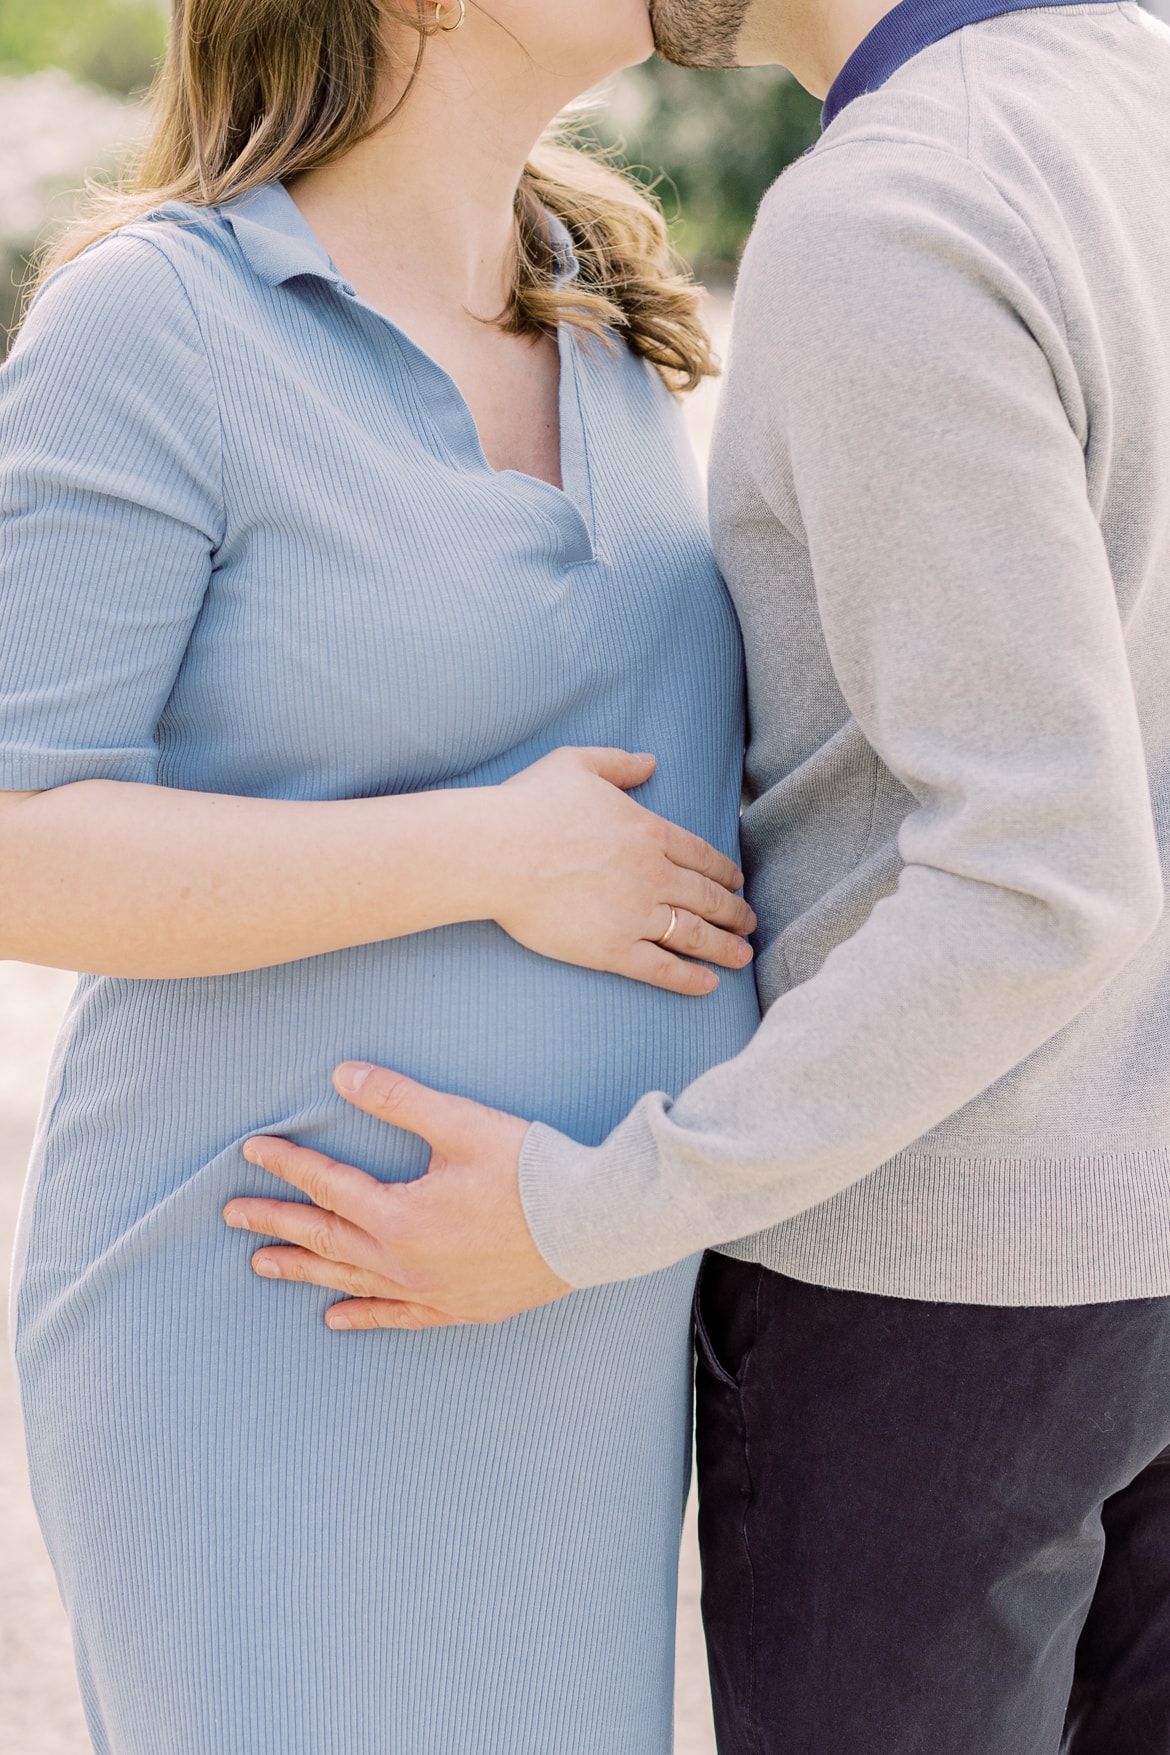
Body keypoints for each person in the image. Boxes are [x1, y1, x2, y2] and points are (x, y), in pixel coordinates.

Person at [236, 0, 1170, 1749]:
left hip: (936, 1293)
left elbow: (1040, 873)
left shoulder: (898, 205)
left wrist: (589, 1206)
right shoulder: (1133, 95)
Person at [0, 3, 764, 1750]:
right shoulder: (160, 321)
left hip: (575, 1321)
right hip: (272, 1301)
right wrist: (485, 854)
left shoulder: (601, 301)